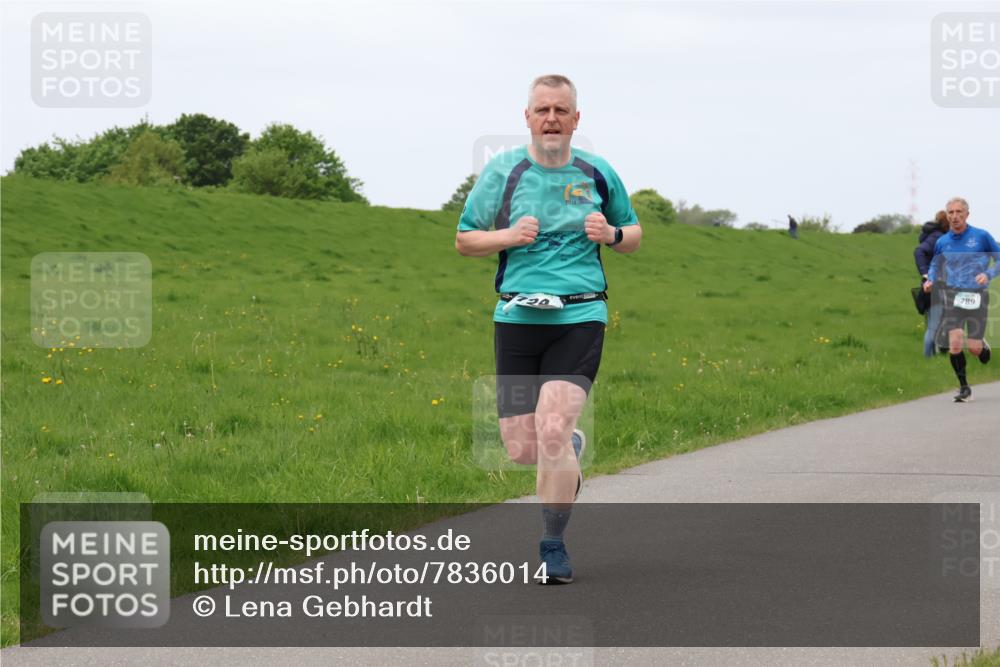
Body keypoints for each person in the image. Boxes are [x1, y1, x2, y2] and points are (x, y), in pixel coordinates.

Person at [455, 74, 641, 583]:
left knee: (552, 428)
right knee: (522, 447)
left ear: (576, 119)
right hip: (517, 318)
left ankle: (552, 547)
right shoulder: (503, 172)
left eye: (561, 110)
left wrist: (614, 232)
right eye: (543, 110)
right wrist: (508, 236)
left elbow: (634, 234)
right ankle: (570, 449)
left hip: (579, 315)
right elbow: (465, 239)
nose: (552, 118)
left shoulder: (597, 172)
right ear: (528, 117)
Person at [923, 197, 1000, 402]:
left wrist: (989, 275)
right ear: (947, 216)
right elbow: (934, 265)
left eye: (959, 212)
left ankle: (981, 346)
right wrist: (930, 279)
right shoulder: (942, 242)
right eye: (951, 212)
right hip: (953, 295)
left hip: (977, 296)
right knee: (955, 343)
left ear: (967, 214)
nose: (955, 216)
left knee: (974, 349)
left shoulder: (981, 236)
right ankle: (964, 388)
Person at [914, 210, 949, 357]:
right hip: (936, 287)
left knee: (935, 323)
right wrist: (926, 273)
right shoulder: (938, 237)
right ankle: (927, 359)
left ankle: (934, 357)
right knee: (934, 326)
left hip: (933, 286)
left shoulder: (934, 236)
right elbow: (919, 252)